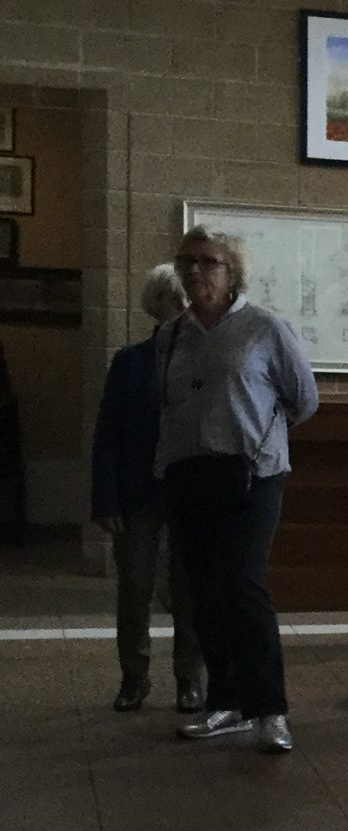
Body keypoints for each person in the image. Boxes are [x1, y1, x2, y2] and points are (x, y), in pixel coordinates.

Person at [157, 226, 319, 753]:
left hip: (252, 474)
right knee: (203, 591)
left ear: (233, 273)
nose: (194, 270)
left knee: (244, 587)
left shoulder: (264, 328)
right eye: (187, 261)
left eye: (208, 261)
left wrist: (254, 430)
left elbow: (303, 399)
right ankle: (224, 702)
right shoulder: (172, 334)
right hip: (189, 474)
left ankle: (269, 709)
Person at [92, 263, 203, 714]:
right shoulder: (130, 361)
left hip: (188, 492)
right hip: (137, 491)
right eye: (171, 299)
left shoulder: (202, 358)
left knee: (188, 588)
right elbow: (107, 433)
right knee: (135, 587)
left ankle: (189, 679)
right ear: (155, 304)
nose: (179, 307)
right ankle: (134, 676)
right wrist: (105, 498)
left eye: (184, 299)